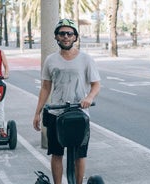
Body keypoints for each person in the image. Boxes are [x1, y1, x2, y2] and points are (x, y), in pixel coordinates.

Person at [32, 18, 101, 184]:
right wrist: (37, 113)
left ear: (75, 37)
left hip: (79, 114)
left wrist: (89, 98)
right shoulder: (51, 60)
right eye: (62, 33)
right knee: (56, 153)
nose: (66, 36)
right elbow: (45, 88)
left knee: (79, 154)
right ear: (56, 37)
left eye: (69, 33)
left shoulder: (86, 59)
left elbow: (96, 84)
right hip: (57, 112)